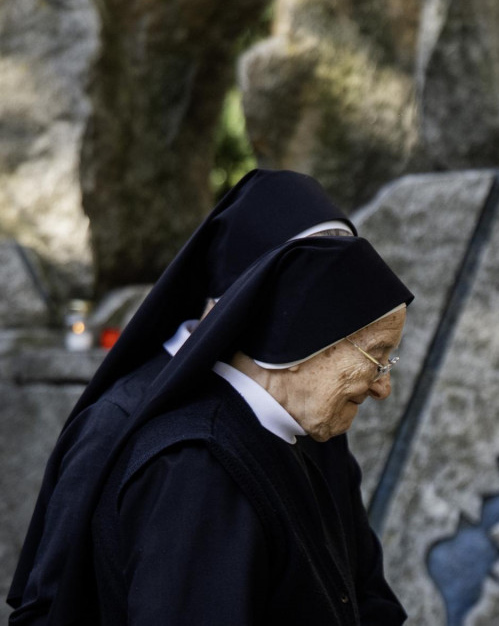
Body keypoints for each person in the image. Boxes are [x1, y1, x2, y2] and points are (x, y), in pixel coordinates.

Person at [8, 170, 400, 624]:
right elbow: (62, 598)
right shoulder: (173, 448)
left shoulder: (306, 412)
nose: (381, 386)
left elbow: (361, 589)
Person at [91, 236, 412, 624]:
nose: (383, 386)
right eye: (376, 356)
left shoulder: (267, 436)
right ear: (302, 338)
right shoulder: (199, 467)